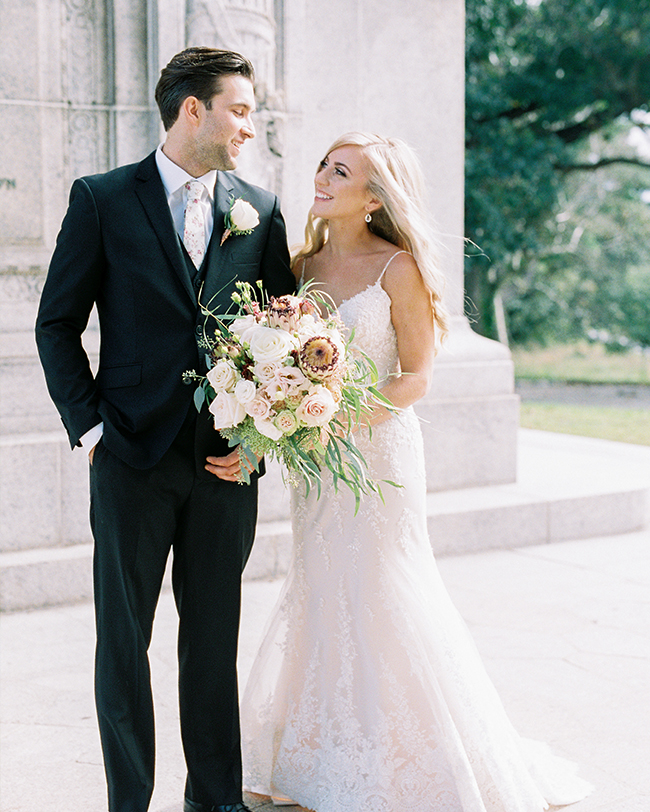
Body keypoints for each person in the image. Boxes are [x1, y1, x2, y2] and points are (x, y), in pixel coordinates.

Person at [240, 132, 594, 811]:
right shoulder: (300, 263)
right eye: (323, 164)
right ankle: (323, 748)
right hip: (317, 460)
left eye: (340, 171)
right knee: (320, 586)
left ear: (374, 198)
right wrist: (288, 408)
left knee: (381, 586)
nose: (321, 177)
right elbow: (282, 352)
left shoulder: (397, 268)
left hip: (379, 453)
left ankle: (406, 754)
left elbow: (417, 378)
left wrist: (341, 417)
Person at [35, 47, 295, 812]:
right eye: (240, 110)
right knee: (124, 646)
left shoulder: (262, 209)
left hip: (225, 466)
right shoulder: (103, 199)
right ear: (194, 110)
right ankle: (129, 803)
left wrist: (260, 443)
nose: (250, 126)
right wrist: (90, 432)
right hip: (129, 462)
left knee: (212, 648)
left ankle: (214, 803)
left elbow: (286, 330)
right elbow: (56, 325)